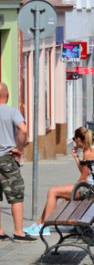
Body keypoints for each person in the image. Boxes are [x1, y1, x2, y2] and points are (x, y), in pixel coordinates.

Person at [23, 127, 94, 236]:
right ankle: (39, 224)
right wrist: (76, 157)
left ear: (79, 139)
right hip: (92, 186)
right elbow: (86, 171)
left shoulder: (88, 152)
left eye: (74, 139)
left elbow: (83, 178)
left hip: (89, 189)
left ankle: (45, 228)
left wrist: (72, 190)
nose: (74, 142)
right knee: (54, 193)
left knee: (52, 192)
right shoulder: (92, 149)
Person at [0, 83, 36, 243]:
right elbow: (23, 129)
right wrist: (18, 148)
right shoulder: (12, 111)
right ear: (7, 95)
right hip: (7, 159)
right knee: (15, 195)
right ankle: (19, 232)